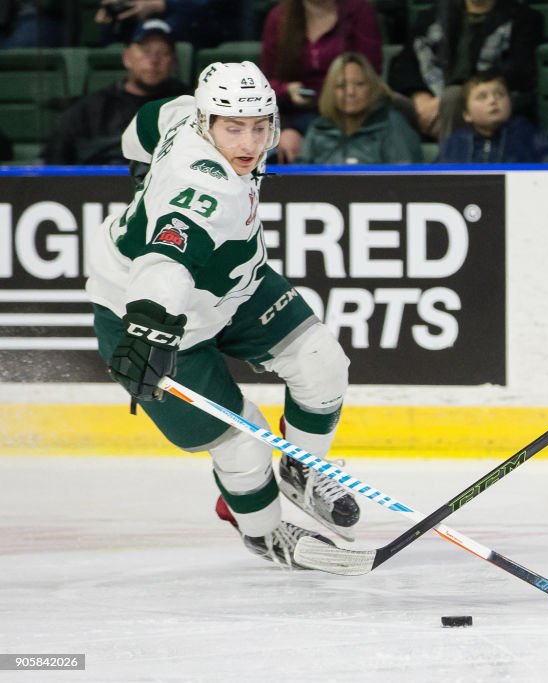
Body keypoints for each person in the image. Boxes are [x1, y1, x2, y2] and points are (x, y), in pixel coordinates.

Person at [85, 61, 360, 568]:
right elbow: (164, 262)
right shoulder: (208, 188)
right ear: (208, 125)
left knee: (322, 363)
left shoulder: (185, 113)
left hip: (231, 286)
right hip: (156, 312)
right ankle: (264, 534)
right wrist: (148, 325)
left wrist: (142, 170)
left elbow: (145, 123)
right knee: (244, 447)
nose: (249, 143)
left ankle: (302, 470)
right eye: (234, 129)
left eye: (259, 127)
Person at [387, 0, 544, 141]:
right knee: (384, 98)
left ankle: (452, 164)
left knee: (453, 97)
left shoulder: (523, 18)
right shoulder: (431, 17)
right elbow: (404, 65)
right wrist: (419, 96)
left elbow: (518, 70)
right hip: (428, 102)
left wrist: (450, 99)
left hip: (476, 102)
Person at [43, 19, 189, 166]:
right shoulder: (90, 109)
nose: (154, 60)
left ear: (173, 61)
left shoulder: (189, 107)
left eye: (163, 52)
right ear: (127, 57)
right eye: (146, 51)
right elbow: (54, 163)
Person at [260, 0, 382, 162]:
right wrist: (287, 93)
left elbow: (370, 73)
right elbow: (265, 84)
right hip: (295, 113)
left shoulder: (358, 10)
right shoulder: (279, 17)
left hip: (348, 114)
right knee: (272, 149)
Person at [300, 52, 422, 165]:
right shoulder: (318, 130)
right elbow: (300, 180)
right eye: (341, 86)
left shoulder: (393, 125)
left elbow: (406, 180)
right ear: (331, 92)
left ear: (372, 88)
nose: (351, 92)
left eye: (360, 84)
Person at [437, 73, 548, 163]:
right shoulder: (456, 142)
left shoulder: (526, 134)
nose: (492, 101)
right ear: (467, 115)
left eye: (499, 95)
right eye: (482, 97)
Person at [94, 0, 244, 49]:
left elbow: (210, 5)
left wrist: (161, 5)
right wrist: (113, 12)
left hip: (204, 35)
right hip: (139, 38)